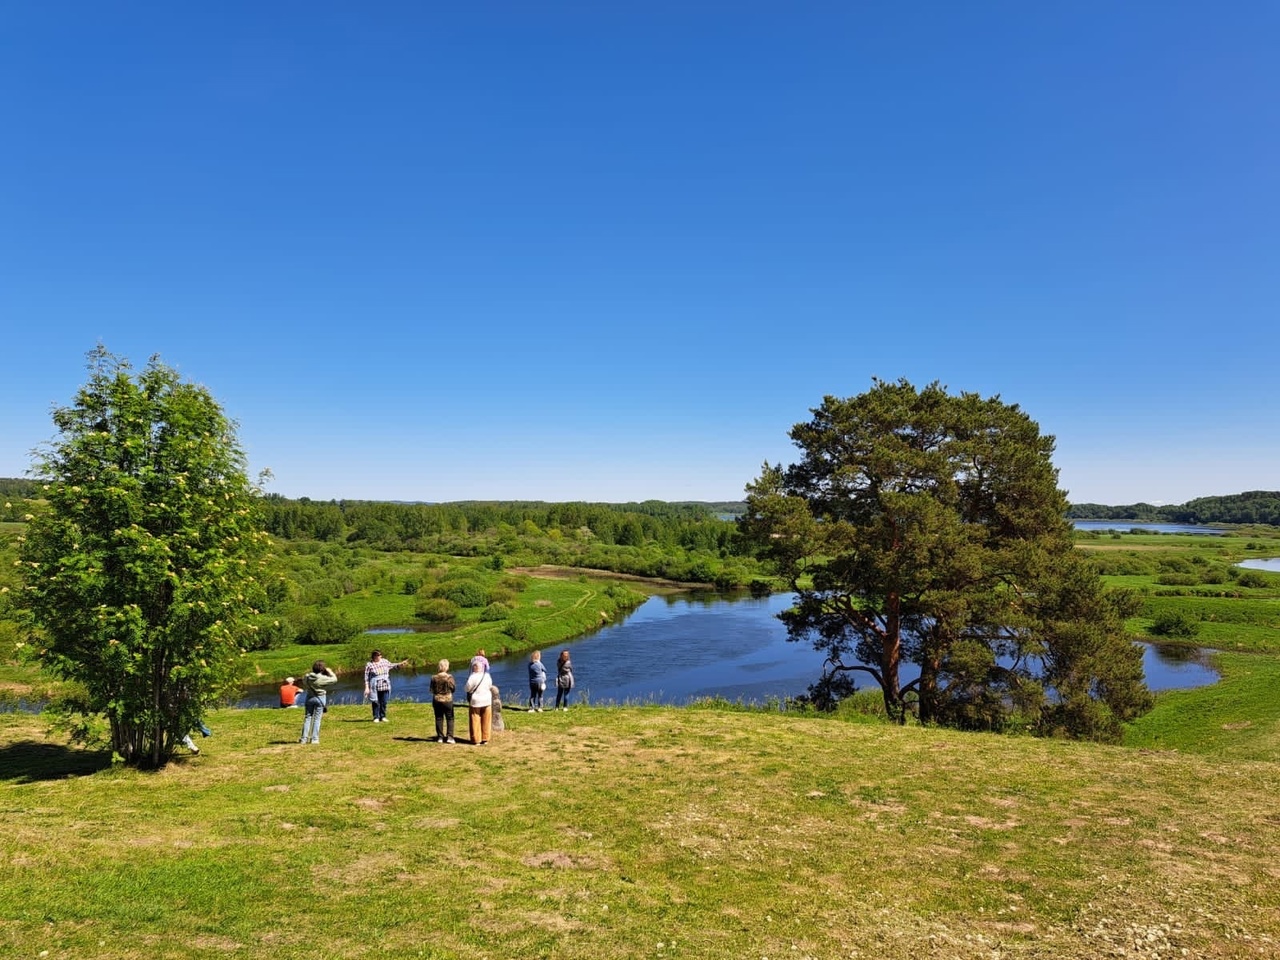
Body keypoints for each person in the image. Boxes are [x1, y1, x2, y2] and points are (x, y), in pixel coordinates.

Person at [363, 649, 409, 723]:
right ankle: (376, 717)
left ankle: (383, 716)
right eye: (377, 655)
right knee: (375, 701)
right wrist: (367, 687)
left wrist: (401, 664)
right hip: (375, 685)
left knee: (384, 701)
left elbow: (393, 665)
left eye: (380, 655)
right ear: (373, 656)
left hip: (385, 685)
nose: (379, 656)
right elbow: (366, 677)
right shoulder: (369, 664)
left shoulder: (385, 661)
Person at [299, 660, 338, 744]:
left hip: (309, 697)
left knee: (308, 717)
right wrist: (330, 671)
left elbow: (304, 682)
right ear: (322, 669)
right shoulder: (322, 678)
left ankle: (303, 739)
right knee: (317, 719)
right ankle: (314, 739)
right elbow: (334, 679)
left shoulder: (307, 677)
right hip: (320, 698)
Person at [465, 660, 494, 745]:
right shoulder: (487, 676)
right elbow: (490, 686)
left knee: (475, 719)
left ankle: (476, 739)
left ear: (474, 667)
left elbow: (467, 688)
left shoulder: (472, 677)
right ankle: (486, 738)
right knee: (487, 720)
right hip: (487, 700)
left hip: (476, 701)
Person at [430, 658, 457, 743]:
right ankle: (450, 737)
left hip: (437, 699)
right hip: (447, 700)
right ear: (446, 667)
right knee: (450, 718)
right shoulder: (449, 677)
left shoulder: (434, 678)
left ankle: (440, 737)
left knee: (438, 718)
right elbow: (453, 688)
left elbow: (431, 690)